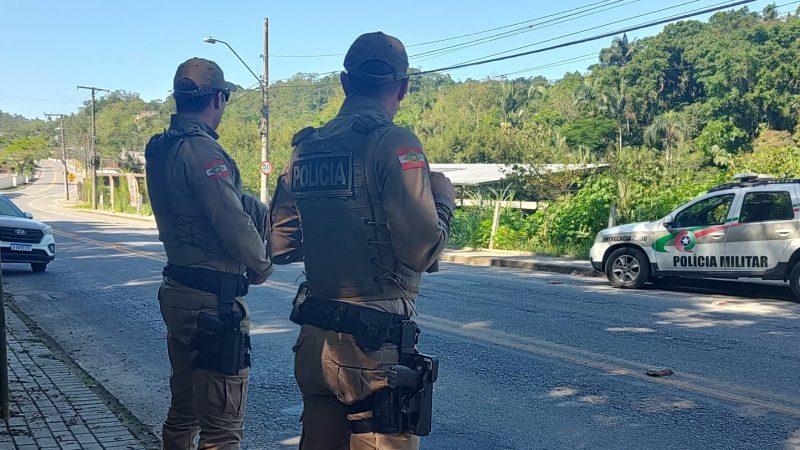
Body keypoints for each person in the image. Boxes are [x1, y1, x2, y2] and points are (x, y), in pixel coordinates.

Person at [270, 32, 456, 450]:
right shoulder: (396, 142)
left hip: (315, 343)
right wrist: (442, 198)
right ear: (404, 88)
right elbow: (422, 249)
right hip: (371, 352)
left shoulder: (304, 150)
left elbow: (280, 247)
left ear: (344, 82)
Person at [144, 57, 273, 450]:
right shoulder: (202, 151)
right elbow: (229, 219)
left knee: (184, 412)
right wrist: (262, 264)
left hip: (180, 290)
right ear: (219, 99)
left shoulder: (161, 147)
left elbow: (215, 204)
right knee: (221, 428)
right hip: (211, 304)